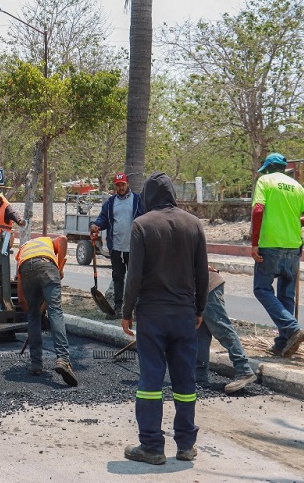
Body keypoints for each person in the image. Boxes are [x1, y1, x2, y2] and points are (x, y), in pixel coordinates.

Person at [122, 172, 207, 465]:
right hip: (184, 315)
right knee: (185, 380)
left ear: (148, 197)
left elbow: (133, 275)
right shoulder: (193, 224)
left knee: (151, 379)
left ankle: (151, 447)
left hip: (152, 316)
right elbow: (202, 273)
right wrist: (199, 309)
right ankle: (186, 445)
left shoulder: (142, 225)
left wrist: (126, 311)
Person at [251, 152, 304, 357]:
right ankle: (283, 343)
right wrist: (294, 224)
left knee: (261, 289)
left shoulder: (265, 181)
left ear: (268, 169)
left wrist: (254, 243)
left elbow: (258, 210)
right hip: (293, 248)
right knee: (286, 296)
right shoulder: (297, 187)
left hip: (270, 246)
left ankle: (292, 328)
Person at [16, 234, 78, 387]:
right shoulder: (48, 241)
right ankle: (63, 359)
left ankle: (36, 364)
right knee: (55, 311)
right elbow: (63, 239)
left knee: (33, 316)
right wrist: (59, 268)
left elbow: (21, 298)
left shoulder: (23, 250)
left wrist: (31, 309)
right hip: (47, 266)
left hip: (26, 269)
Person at [89, 172, 143, 318]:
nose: (121, 187)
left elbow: (145, 219)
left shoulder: (137, 200)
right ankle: (118, 308)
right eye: (118, 185)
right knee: (118, 278)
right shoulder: (110, 203)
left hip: (134, 248)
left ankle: (136, 309)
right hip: (116, 248)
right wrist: (94, 225)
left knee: (135, 279)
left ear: (127, 184)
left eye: (123, 184)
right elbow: (102, 220)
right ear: (115, 187)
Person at [196, 266, 258, 394]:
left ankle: (243, 369)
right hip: (198, 289)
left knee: (221, 327)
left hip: (206, 287)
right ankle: (199, 377)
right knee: (200, 332)